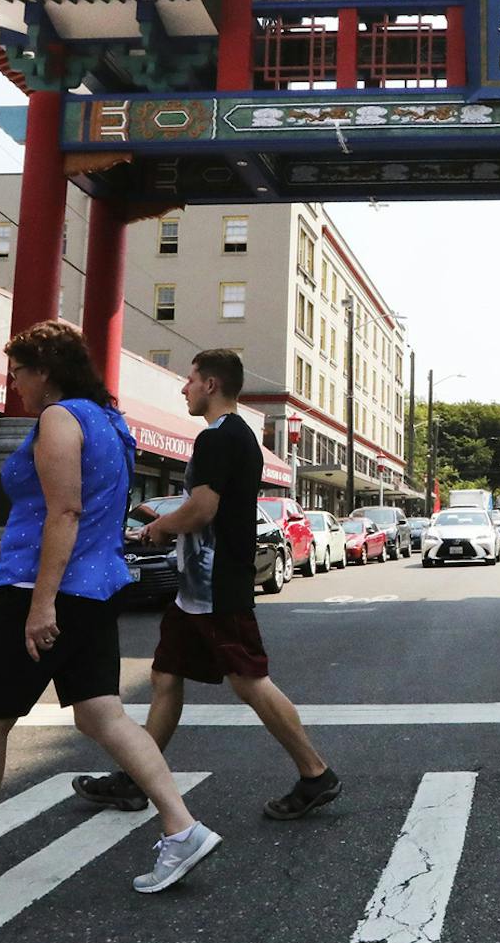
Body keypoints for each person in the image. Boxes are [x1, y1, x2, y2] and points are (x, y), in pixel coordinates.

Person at [0, 321, 216, 901]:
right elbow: (83, 514)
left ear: (44, 370)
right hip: (93, 589)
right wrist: (8, 544)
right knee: (102, 715)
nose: (14, 384)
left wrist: (39, 604)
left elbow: (64, 513)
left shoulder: (60, 419)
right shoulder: (110, 423)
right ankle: (181, 828)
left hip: (45, 592)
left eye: (18, 372)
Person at [72, 349, 339, 820]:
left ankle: (316, 774)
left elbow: (203, 509)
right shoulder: (239, 436)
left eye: (190, 380)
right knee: (165, 676)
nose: (184, 388)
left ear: (211, 385)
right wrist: (169, 523)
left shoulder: (217, 439)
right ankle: (136, 779)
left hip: (217, 586)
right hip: (197, 589)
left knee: (250, 682)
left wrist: (161, 527)